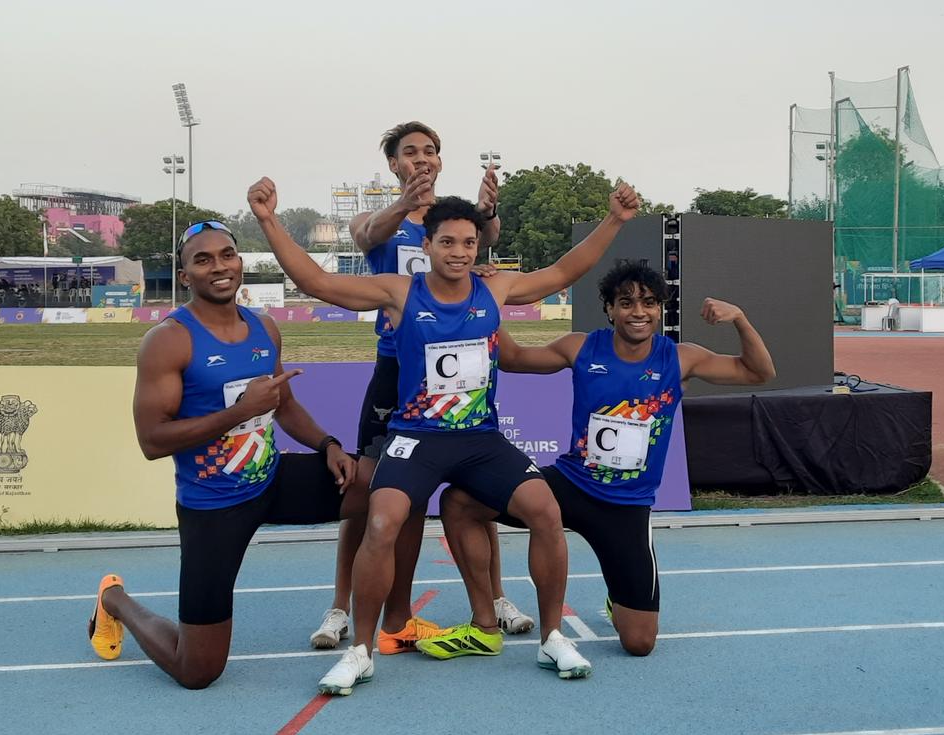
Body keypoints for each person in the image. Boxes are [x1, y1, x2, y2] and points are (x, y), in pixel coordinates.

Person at [248, 176, 642, 694]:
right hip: (415, 438)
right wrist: (269, 221)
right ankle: (362, 650)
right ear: (427, 245)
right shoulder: (399, 292)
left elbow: (564, 271)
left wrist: (613, 219)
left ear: (479, 246)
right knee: (383, 521)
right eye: (448, 242)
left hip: (479, 440)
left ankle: (552, 638)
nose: (459, 252)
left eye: (469, 243)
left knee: (546, 511)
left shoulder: (495, 287)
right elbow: (320, 283)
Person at [432, 261, 775, 661]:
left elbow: (759, 373)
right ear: (610, 309)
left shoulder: (681, 358)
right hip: (569, 486)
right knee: (459, 501)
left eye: (649, 303)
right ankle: (485, 622)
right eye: (626, 302)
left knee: (639, 643)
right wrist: (484, 298)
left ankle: (620, 598)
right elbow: (513, 358)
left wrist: (740, 319)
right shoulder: (581, 347)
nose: (638, 312)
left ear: (660, 309)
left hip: (626, 509)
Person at [85, 220, 359, 690]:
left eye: (227, 255)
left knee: (384, 488)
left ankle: (385, 627)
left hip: (271, 480)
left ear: (240, 263)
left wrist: (328, 445)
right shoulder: (169, 340)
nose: (220, 266)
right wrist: (238, 413)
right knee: (197, 671)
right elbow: (152, 440)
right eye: (203, 259)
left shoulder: (263, 327)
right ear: (185, 275)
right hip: (213, 505)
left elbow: (285, 406)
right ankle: (116, 602)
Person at [308, 120, 534, 654]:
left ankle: (497, 599)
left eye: (430, 151)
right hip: (397, 369)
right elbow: (365, 238)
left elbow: (487, 240)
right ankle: (341, 606)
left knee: (481, 484)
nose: (422, 158)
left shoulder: (447, 221)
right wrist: (402, 203)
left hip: (458, 366)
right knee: (367, 493)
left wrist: (489, 210)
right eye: (410, 152)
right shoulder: (381, 221)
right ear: (393, 163)